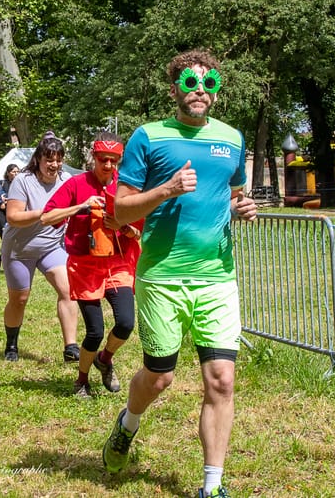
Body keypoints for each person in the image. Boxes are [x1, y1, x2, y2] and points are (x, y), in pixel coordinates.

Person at [101, 49, 257, 498]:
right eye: (191, 83)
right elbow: (120, 208)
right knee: (160, 376)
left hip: (217, 277)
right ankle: (127, 424)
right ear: (175, 88)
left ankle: (213, 485)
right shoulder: (148, 136)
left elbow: (230, 195)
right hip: (162, 276)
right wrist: (167, 189)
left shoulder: (232, 139)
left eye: (209, 85)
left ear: (217, 92)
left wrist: (241, 207)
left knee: (222, 380)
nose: (200, 92)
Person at [41, 134, 142, 396]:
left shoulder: (127, 187)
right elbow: (47, 217)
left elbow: (141, 232)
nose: (107, 165)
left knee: (126, 324)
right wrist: (81, 207)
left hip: (118, 265)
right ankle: (82, 380)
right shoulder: (76, 184)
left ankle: (105, 359)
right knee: (95, 332)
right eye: (102, 160)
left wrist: (124, 226)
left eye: (113, 160)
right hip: (85, 267)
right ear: (93, 158)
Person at [0, 132, 79, 363]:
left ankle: (71, 347)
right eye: (49, 160)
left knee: (68, 291)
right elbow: (13, 217)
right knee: (20, 299)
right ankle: (11, 344)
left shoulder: (66, 181)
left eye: (58, 159)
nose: (54, 165)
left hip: (51, 247)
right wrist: (46, 214)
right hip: (20, 249)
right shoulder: (23, 180)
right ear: (39, 160)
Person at [0, 164, 20, 272]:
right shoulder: (1, 184)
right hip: (1, 215)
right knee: (8, 240)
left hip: (14, 215)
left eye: (17, 172)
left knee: (14, 241)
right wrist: (0, 201)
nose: (16, 174)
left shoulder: (20, 185)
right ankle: (10, 266)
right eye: (13, 172)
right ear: (8, 173)